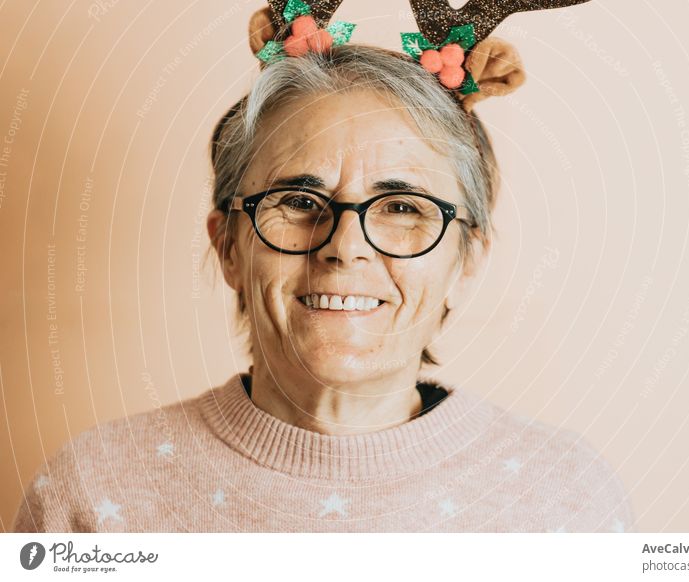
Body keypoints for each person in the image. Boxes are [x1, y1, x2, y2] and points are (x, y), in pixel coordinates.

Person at [13, 0, 633, 532]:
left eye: (401, 207)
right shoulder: (90, 494)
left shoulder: (567, 501)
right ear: (229, 245)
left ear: (467, 259)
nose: (346, 246)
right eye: (299, 202)